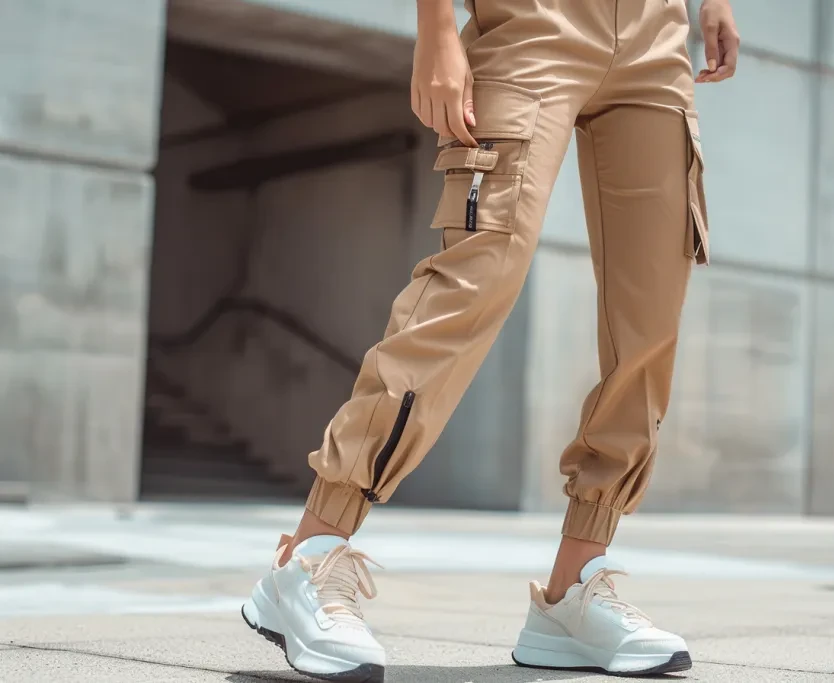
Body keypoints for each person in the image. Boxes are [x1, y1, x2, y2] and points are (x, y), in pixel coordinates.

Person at [241, 0, 739, 680]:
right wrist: (436, 27)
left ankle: (572, 592)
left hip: (656, 36)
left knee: (650, 320)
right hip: (534, 21)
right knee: (473, 281)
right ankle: (308, 558)